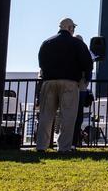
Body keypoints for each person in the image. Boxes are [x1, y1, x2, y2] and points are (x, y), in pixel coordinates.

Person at [35, 17, 93, 154]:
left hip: (49, 82)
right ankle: (64, 147)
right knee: (68, 116)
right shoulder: (77, 44)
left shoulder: (47, 42)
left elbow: (41, 63)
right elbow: (88, 64)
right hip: (70, 83)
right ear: (70, 28)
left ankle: (41, 146)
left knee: (46, 116)